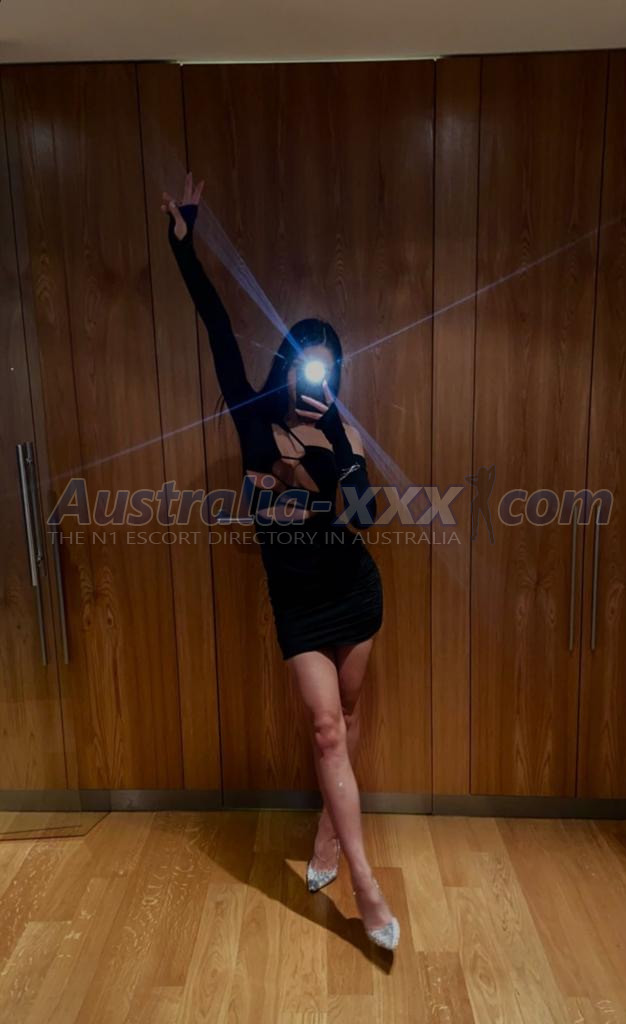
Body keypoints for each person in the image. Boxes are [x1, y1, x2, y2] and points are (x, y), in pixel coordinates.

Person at [161, 171, 399, 951]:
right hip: (298, 605)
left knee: (348, 719)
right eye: (305, 363)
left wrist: (327, 456)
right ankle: (365, 883)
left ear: (336, 375)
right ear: (288, 364)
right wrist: (184, 246)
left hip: (354, 592)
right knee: (326, 729)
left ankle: (329, 835)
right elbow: (216, 329)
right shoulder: (254, 417)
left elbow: (365, 518)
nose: (314, 377)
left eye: (327, 367)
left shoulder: (343, 434)